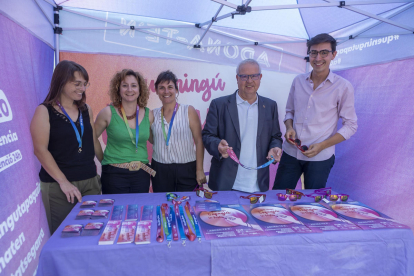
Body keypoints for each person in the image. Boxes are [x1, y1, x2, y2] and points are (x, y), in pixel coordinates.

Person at [273, 33, 358, 190]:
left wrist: (323, 145)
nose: (318, 58)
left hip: (321, 156)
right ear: (309, 55)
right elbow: (289, 112)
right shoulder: (298, 81)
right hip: (291, 153)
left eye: (324, 52)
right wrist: (289, 127)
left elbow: (351, 126)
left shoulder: (343, 87)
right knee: (278, 199)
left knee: (312, 206)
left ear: (333, 55)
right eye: (314, 53)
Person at [31, 60, 101, 235]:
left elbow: (92, 141)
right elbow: (40, 150)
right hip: (59, 187)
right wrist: (63, 182)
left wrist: (107, 164)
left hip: (90, 182)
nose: (82, 88)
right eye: (77, 84)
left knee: (91, 233)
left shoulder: (87, 110)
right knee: (65, 237)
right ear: (61, 82)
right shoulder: (44, 111)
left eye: (85, 84)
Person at [202, 59, 283, 193]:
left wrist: (275, 147)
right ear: (237, 78)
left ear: (260, 77)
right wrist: (218, 146)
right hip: (225, 182)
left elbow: (276, 136)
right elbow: (207, 135)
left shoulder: (270, 106)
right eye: (244, 76)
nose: (249, 81)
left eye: (254, 76)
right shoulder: (219, 104)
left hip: (257, 184)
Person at [94, 69, 155, 194]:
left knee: (138, 212)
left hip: (141, 174)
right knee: (115, 212)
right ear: (118, 89)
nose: (129, 90)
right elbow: (91, 138)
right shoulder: (107, 112)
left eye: (134, 86)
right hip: (114, 174)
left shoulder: (149, 114)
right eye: (125, 86)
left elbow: (154, 139)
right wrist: (104, 160)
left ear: (140, 89)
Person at [150, 70, 207, 192]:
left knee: (188, 205)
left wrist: (199, 170)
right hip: (160, 169)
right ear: (156, 91)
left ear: (176, 90)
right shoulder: (152, 114)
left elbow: (199, 141)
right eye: (162, 88)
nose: (166, 91)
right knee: (163, 205)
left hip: (186, 169)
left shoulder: (188, 111)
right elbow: (151, 139)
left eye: (170, 87)